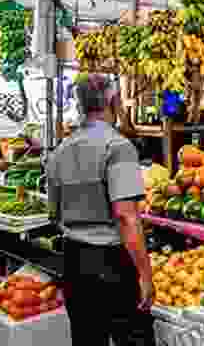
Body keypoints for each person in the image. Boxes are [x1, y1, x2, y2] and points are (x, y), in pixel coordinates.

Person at [46, 73, 155, 346]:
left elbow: (53, 214)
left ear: (80, 106)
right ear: (113, 103)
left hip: (73, 261)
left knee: (87, 339)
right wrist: (145, 274)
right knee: (133, 339)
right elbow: (126, 216)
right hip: (112, 263)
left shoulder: (59, 151)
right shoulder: (118, 147)